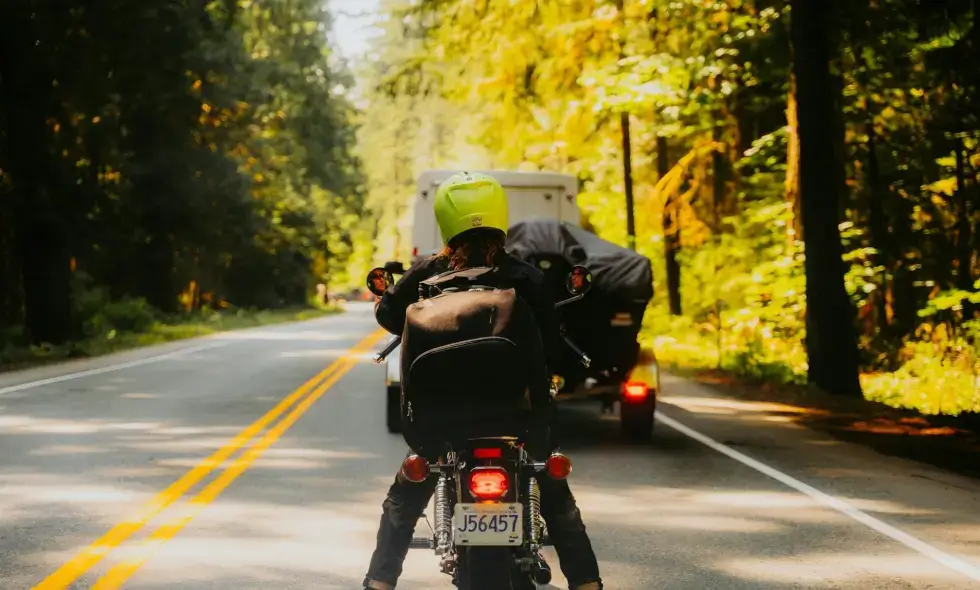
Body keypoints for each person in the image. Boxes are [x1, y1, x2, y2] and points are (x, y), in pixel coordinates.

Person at [362, 172, 602, 590]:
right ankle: (587, 583)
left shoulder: (425, 275)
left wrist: (390, 296)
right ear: (499, 217)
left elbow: (388, 317)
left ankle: (380, 582)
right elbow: (550, 342)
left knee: (409, 488)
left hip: (442, 423)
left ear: (446, 221)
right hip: (518, 421)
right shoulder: (526, 277)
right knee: (554, 489)